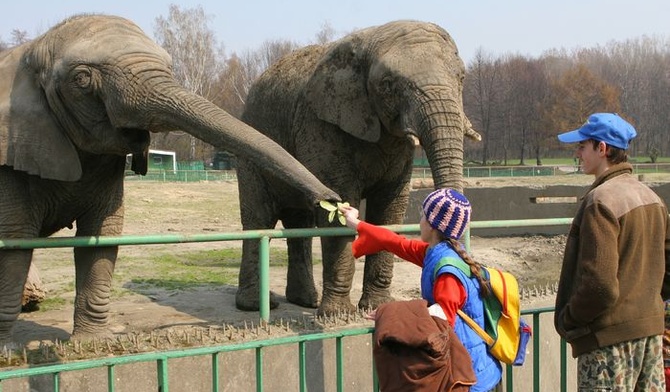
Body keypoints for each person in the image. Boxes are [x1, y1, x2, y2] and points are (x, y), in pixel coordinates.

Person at [339, 188, 502, 392]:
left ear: (433, 225)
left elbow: (443, 318)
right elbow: (396, 243)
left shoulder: (447, 271)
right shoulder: (437, 253)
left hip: (470, 380)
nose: (420, 220)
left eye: (423, 215)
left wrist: (390, 313)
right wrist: (356, 222)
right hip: (471, 372)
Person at [554, 112, 670, 391]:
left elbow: (600, 286)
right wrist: (646, 307)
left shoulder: (601, 200)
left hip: (608, 345)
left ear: (602, 149)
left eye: (582, 146)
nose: (578, 153)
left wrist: (569, 319)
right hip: (650, 339)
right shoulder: (652, 198)